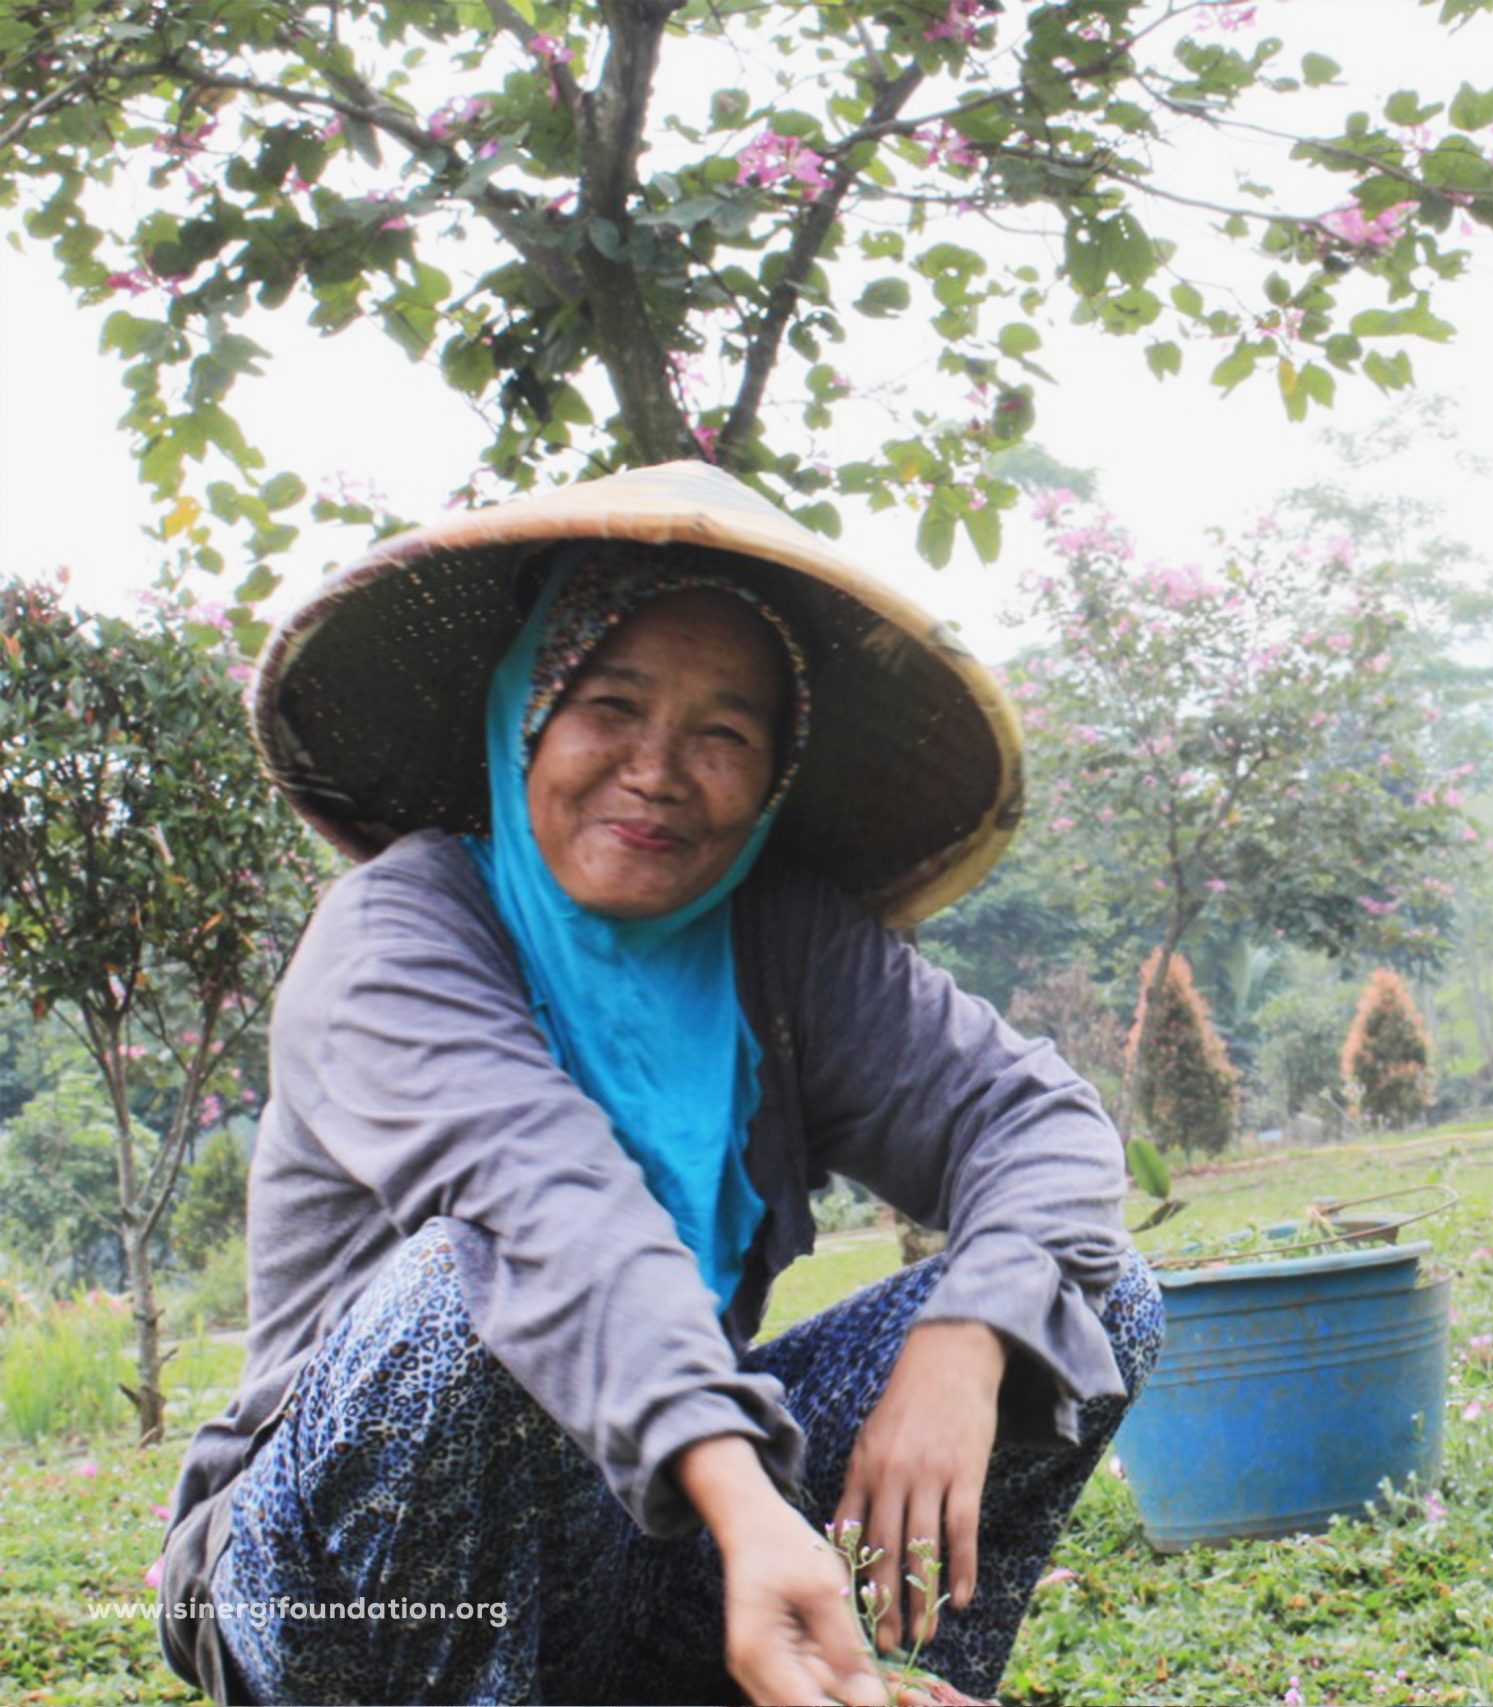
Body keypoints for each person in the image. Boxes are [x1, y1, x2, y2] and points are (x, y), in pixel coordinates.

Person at [154, 462, 1161, 1706]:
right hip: (339, 1586)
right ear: (528, 714)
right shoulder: (394, 937)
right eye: (610, 706)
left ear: (774, 775)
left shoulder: (781, 943)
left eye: (724, 733)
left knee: (1087, 1302)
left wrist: (969, 1333)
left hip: (654, 1537)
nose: (658, 769)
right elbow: (552, 1214)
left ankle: (850, 1684)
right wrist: (746, 1503)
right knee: (464, 1295)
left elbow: (1032, 1121)